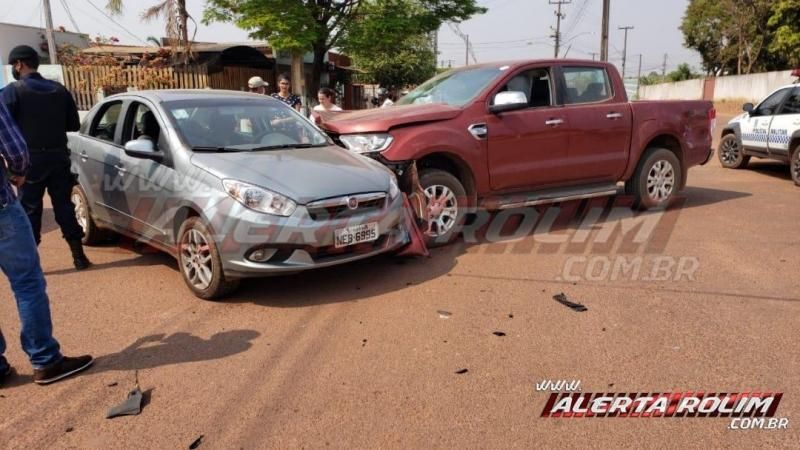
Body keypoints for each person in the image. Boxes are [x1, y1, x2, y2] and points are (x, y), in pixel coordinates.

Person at [0, 101, 93, 386]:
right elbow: (15, 149)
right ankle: (45, 359)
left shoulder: (16, 92)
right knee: (27, 282)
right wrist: (18, 172)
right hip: (4, 206)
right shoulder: (55, 92)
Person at [1, 45, 91, 270]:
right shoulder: (59, 90)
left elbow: (6, 130)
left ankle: (32, 264)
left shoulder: (13, 91)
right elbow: (73, 124)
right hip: (59, 158)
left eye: (14, 65)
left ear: (20, 64)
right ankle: (79, 257)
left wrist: (13, 167)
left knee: (30, 210)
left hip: (30, 162)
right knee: (64, 206)